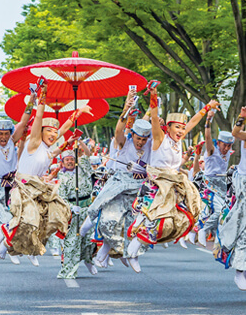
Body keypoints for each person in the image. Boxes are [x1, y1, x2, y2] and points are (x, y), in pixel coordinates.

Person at [0, 80, 93, 265]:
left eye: (55, 132)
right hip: (23, 187)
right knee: (29, 219)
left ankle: (30, 247)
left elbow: (61, 136)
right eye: (49, 131)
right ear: (41, 132)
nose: (54, 134)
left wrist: (77, 116)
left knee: (55, 215)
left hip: (40, 188)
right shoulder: (34, 143)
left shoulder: (49, 149)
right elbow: (38, 119)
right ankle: (4, 236)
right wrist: (41, 95)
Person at [127, 85, 220, 272]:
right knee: (152, 220)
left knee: (182, 218)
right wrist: (153, 96)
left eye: (182, 128)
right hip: (157, 186)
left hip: (175, 187)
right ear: (167, 127)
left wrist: (207, 108)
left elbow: (193, 121)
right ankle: (132, 251)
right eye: (177, 127)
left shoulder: (179, 141)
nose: (180, 130)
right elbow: (154, 118)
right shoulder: (160, 139)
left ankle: (186, 235)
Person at [80, 88, 152, 268]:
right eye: (138, 138)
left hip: (138, 187)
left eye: (144, 139)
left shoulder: (151, 145)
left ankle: (129, 254)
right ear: (132, 134)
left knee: (135, 222)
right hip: (117, 181)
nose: (140, 142)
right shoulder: (123, 141)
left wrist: (153, 107)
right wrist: (126, 108)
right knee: (105, 212)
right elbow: (119, 130)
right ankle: (90, 222)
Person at [0, 93, 35, 263]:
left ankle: (2, 246)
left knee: (8, 221)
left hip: (9, 185)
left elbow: (23, 122)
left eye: (7, 134)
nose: (4, 137)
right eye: (0, 134)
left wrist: (32, 100)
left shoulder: (13, 142)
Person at [214, 107, 246, 290]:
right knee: (242, 228)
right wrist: (241, 117)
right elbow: (235, 133)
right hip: (244, 183)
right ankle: (240, 270)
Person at [57, 145, 98, 279]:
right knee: (73, 242)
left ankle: (88, 260)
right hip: (74, 211)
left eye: (71, 159)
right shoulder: (61, 177)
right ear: (63, 162)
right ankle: (69, 270)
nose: (69, 162)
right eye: (66, 160)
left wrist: (79, 141)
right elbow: (61, 197)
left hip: (87, 207)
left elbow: (87, 153)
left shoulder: (83, 168)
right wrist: (70, 206)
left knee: (89, 239)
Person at [197, 109, 234, 247]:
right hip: (210, 183)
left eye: (229, 146)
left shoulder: (229, 152)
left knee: (226, 212)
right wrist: (208, 121)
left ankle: (219, 238)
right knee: (216, 210)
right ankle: (203, 230)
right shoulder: (212, 150)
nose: (226, 148)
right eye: (224, 145)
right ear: (218, 143)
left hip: (222, 184)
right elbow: (207, 137)